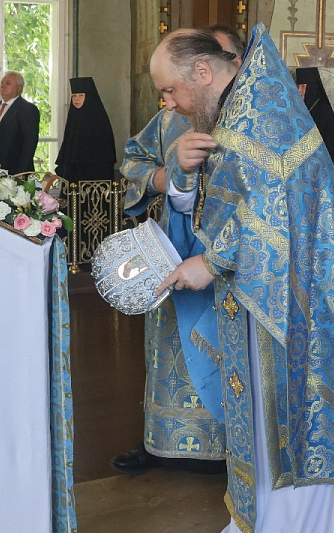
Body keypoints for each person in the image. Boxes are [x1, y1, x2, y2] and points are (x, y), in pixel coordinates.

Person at [152, 27, 334, 533]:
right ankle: (275, 517)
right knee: (275, 413)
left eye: (170, 90)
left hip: (305, 294)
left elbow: (275, 206)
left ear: (202, 72)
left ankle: (311, 523)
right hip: (280, 283)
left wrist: (211, 262)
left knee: (304, 412)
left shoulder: (258, 112)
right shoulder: (245, 104)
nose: (170, 103)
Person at [110, 36, 244, 476]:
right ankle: (162, 441)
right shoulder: (171, 116)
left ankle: (232, 446)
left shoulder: (250, 120)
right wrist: (165, 177)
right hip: (175, 251)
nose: (169, 100)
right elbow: (133, 160)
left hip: (231, 260)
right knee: (169, 351)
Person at [54, 77, 116, 182]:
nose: (76, 99)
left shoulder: (99, 120)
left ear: (89, 97)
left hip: (94, 175)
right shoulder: (73, 118)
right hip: (73, 172)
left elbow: (105, 152)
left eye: (81, 95)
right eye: (74, 96)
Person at [0, 71, 40, 175]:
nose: (2, 86)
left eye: (7, 83)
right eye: (1, 83)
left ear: (19, 88)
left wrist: (19, 173)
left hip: (12, 171)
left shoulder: (27, 109)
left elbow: (29, 144)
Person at [294, 67, 334, 174]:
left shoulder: (322, 109)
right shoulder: (301, 107)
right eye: (298, 86)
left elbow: (327, 143)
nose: (299, 91)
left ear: (312, 87)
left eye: (303, 86)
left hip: (323, 162)